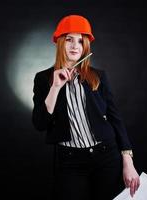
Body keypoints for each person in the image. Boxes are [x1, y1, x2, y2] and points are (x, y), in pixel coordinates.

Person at [32, 15, 140, 200]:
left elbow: (115, 119)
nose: (75, 46)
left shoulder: (98, 76)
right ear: (60, 43)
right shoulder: (43, 79)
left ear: (86, 47)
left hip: (106, 156)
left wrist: (127, 160)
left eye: (81, 41)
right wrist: (56, 87)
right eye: (69, 40)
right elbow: (40, 124)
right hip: (69, 160)